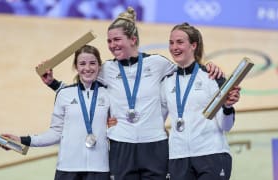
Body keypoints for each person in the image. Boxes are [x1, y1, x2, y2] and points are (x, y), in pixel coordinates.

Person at [39, 7, 224, 180]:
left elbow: (187, 70)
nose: (112, 45)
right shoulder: (106, 69)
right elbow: (81, 92)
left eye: (117, 40)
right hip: (121, 146)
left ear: (133, 40)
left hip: (155, 145)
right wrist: (53, 83)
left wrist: (208, 67)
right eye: (109, 41)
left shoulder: (158, 63)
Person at [2, 45, 111, 180]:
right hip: (67, 169)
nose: (87, 68)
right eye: (82, 63)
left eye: (93, 63)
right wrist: (22, 140)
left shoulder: (109, 94)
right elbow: (55, 133)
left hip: (100, 169)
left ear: (100, 66)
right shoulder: (64, 94)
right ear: (76, 67)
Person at [161, 22, 240, 180]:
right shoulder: (166, 81)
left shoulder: (212, 77)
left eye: (180, 42)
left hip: (212, 154)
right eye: (171, 42)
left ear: (193, 45)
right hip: (178, 157)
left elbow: (226, 126)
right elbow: (156, 121)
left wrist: (227, 107)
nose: (174, 47)